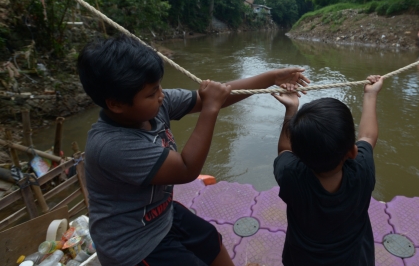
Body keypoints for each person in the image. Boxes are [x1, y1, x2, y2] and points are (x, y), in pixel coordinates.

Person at [77, 34, 310, 266]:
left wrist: (271, 77)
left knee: (211, 241)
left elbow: (213, 96)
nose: (161, 96)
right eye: (151, 93)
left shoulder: (154, 107)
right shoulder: (112, 146)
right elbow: (187, 168)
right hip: (134, 245)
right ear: (115, 104)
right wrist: (210, 108)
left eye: (158, 87)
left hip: (161, 216)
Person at [272, 75, 384, 266]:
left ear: (299, 155)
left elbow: (284, 150)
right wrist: (370, 95)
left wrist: (291, 110)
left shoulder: (291, 176)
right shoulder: (362, 170)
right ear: (352, 151)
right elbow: (367, 136)